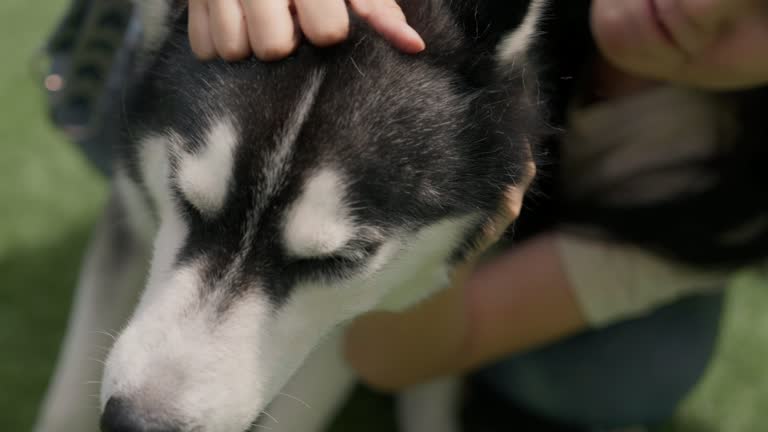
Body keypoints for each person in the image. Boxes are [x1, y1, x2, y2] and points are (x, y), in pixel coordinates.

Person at [42, 0, 768, 430]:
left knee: (636, 364)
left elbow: (398, 351)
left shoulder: (731, 187)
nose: (706, 5)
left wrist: (466, 238)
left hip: (502, 216)